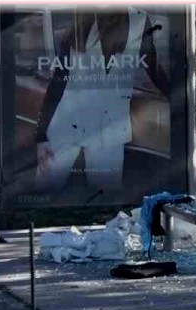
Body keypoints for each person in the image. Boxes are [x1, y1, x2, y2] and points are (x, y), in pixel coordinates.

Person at [34, 8, 170, 197]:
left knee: (105, 197)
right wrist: (41, 136)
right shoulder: (81, 16)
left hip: (109, 127)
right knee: (44, 191)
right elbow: (59, 80)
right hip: (67, 122)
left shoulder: (138, 19)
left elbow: (152, 67)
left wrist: (180, 96)